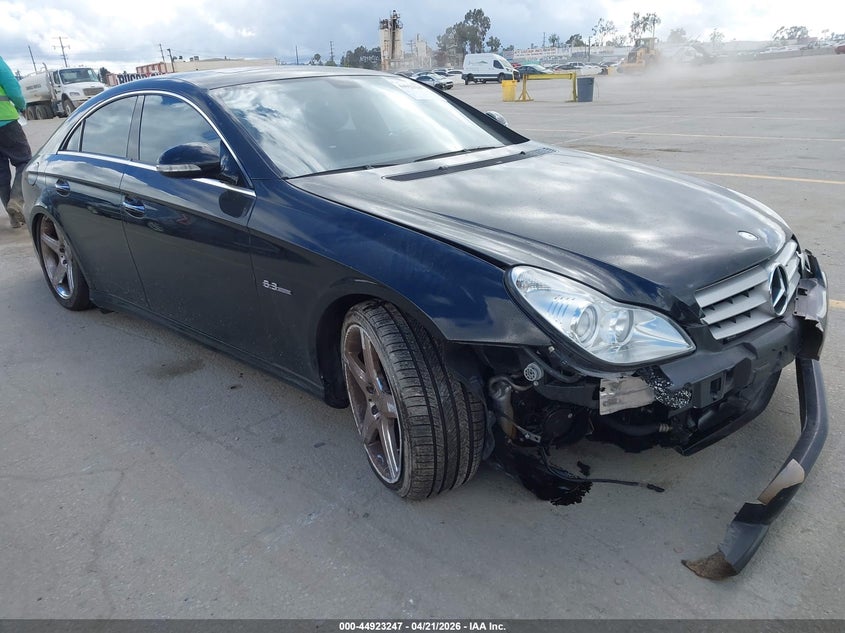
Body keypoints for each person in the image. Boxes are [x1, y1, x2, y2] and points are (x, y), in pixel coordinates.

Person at [0, 55, 32, 229]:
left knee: (1, 173)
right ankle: (17, 200)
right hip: (5, 121)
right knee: (24, 160)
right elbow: (13, 89)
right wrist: (21, 106)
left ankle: (13, 217)